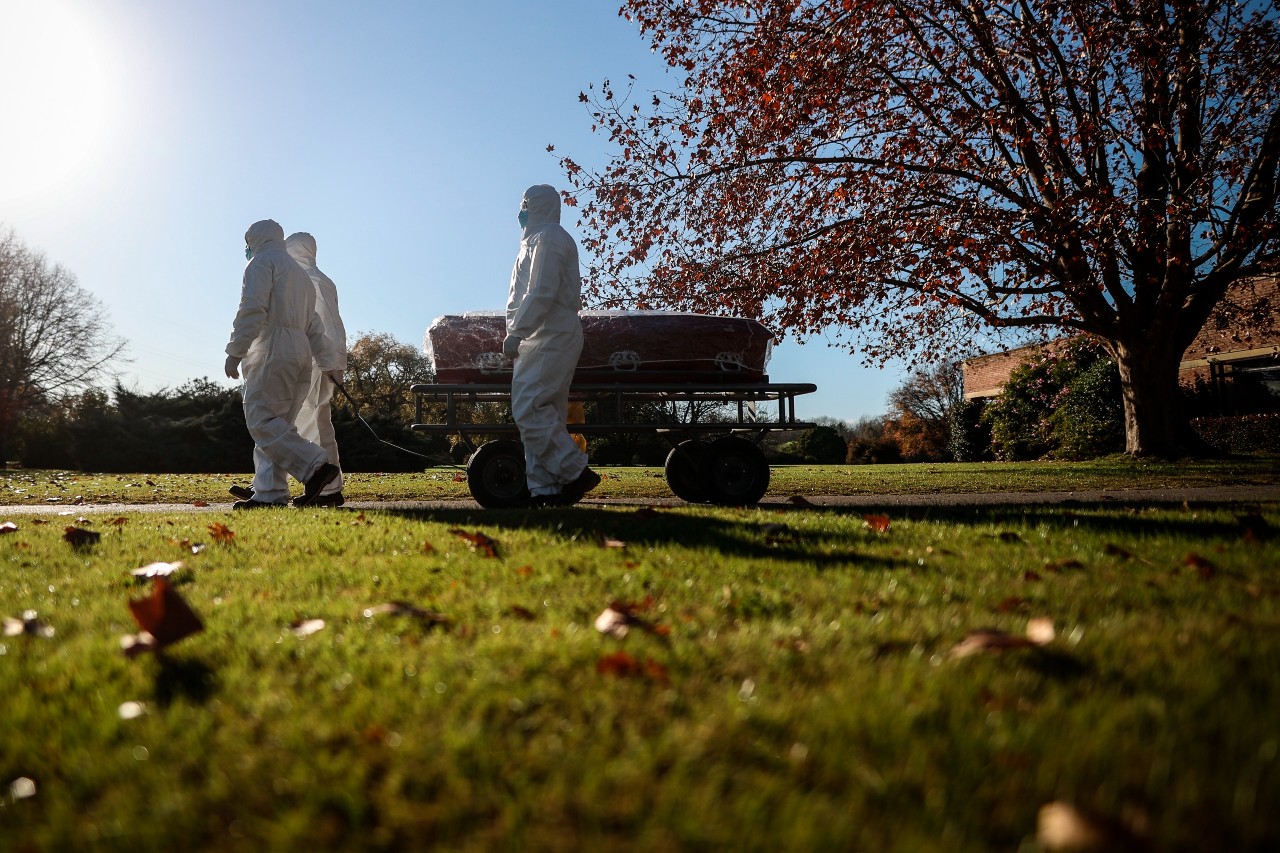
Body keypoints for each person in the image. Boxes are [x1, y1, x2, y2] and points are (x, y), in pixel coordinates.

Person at [224, 219, 340, 508]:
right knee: (279, 427)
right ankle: (269, 494)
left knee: (262, 422)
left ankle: (316, 467)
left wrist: (235, 351)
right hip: (301, 353)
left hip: (272, 350)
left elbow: (252, 308)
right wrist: (327, 362)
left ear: (254, 240)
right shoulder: (298, 274)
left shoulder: (261, 263)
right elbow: (314, 324)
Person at [504, 184, 599, 506]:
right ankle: (547, 489)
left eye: (525, 204)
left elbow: (542, 290)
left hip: (549, 332)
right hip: (540, 336)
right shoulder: (535, 240)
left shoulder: (549, 238)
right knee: (546, 415)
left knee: (530, 410)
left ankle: (574, 472)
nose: (521, 212)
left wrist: (517, 330)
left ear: (537, 206)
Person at [285, 231, 347, 507]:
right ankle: (331, 489)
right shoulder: (325, 280)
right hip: (327, 360)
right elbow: (335, 325)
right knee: (321, 422)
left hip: (312, 360)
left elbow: (317, 324)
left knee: (306, 421)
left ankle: (318, 486)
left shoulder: (304, 281)